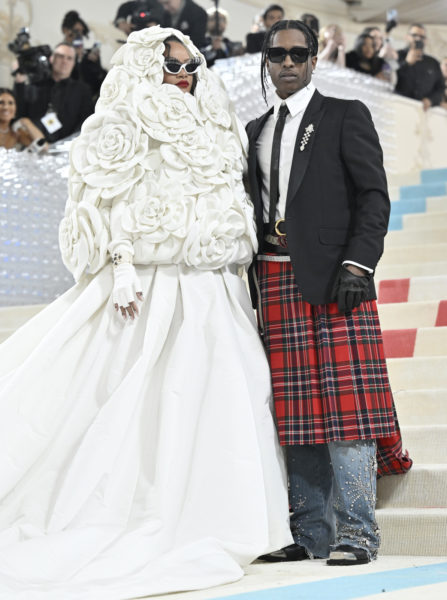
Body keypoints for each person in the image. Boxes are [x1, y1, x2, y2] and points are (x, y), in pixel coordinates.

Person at [0, 26, 292, 598]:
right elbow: (100, 195)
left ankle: (235, 514)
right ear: (145, 68)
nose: (182, 77)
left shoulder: (217, 122)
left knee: (230, 390)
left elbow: (233, 195)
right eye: (171, 66)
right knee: (141, 395)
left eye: (189, 67)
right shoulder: (121, 121)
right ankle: (142, 512)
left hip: (211, 283)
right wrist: (123, 263)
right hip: (149, 284)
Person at [245, 19, 412, 566]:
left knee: (347, 410)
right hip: (273, 277)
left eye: (298, 54)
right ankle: (310, 533)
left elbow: (374, 197)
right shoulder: (253, 131)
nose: (287, 63)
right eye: (278, 55)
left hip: (339, 277)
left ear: (315, 60)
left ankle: (358, 535)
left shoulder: (345, 115)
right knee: (294, 414)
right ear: (266, 61)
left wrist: (358, 264)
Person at [14, 42, 94, 143]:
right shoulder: (33, 86)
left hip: (67, 148)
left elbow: (85, 121)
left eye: (69, 58)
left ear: (74, 63)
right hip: (33, 145)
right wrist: (19, 84)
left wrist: (71, 143)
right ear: (52, 59)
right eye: (60, 56)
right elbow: (20, 114)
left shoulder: (82, 90)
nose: (64, 61)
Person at [395, 23, 445, 111]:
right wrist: (407, 63)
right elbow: (390, 80)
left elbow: (440, 88)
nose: (418, 39)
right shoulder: (396, 56)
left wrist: (430, 100)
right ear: (407, 37)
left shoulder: (433, 63)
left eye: (422, 37)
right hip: (398, 107)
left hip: (423, 113)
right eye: (414, 35)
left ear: (426, 40)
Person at [61, 10, 107, 100]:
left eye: (81, 32)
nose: (79, 35)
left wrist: (95, 64)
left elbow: (98, 82)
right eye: (76, 31)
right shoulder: (60, 53)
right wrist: (76, 58)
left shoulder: (87, 55)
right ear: (66, 31)